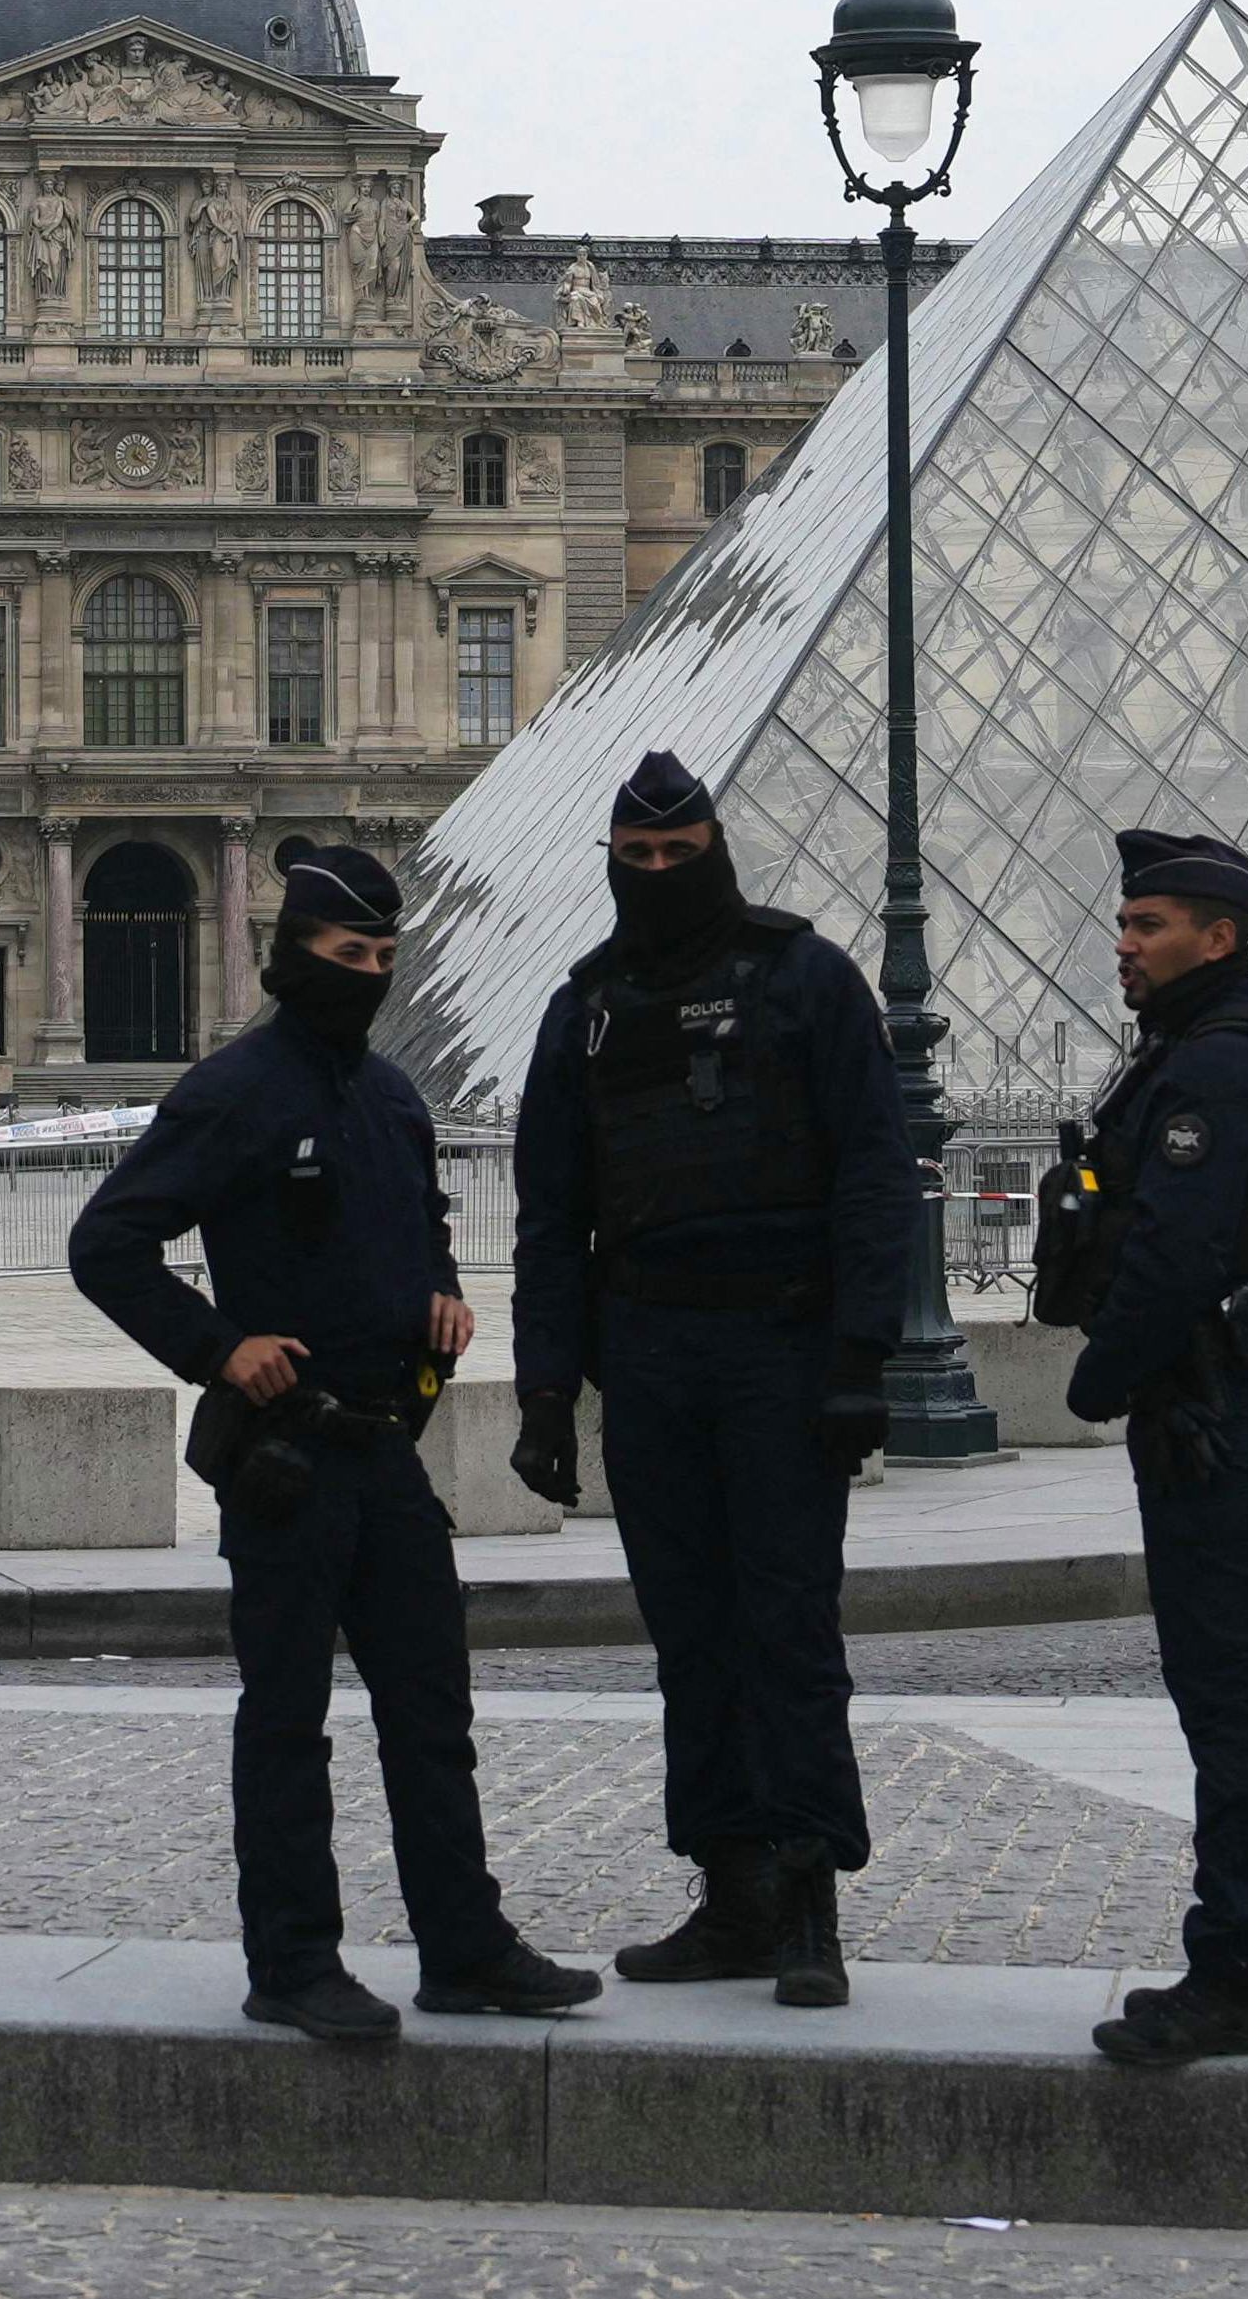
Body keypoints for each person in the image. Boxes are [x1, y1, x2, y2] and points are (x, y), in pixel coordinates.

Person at [69, 846, 602, 2044]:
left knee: (432, 1712)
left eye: (379, 957)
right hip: (288, 1457)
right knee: (287, 1719)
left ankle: (463, 1946)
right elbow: (106, 1244)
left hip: (385, 1449)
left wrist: (440, 1295)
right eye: (343, 955)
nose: (363, 973)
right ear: (289, 956)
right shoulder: (231, 1091)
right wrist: (215, 1348)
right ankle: (294, 1961)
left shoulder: (394, 1093)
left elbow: (417, 1227)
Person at [510, 751, 920, 2009]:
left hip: (783, 1350)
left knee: (787, 1627)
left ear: (716, 851)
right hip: (649, 1351)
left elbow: (872, 1174)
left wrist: (862, 1364)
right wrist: (543, 1396)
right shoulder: (581, 1008)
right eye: (635, 863)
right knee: (690, 1634)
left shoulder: (809, 978)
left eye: (677, 858)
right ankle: (729, 1887)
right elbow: (548, 1214)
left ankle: (808, 1897)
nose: (657, 877)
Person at [1040, 830, 1248, 2068]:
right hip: (1223, 1387)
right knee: (1226, 1690)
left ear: (1218, 939)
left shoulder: (1212, 1068)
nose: (1124, 943)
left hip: (1208, 1397)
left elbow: (1176, 1253)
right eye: (1123, 923)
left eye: (1148, 925)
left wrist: (1096, 1381)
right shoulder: (1210, 1050)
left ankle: (1237, 1970)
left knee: (1227, 1696)